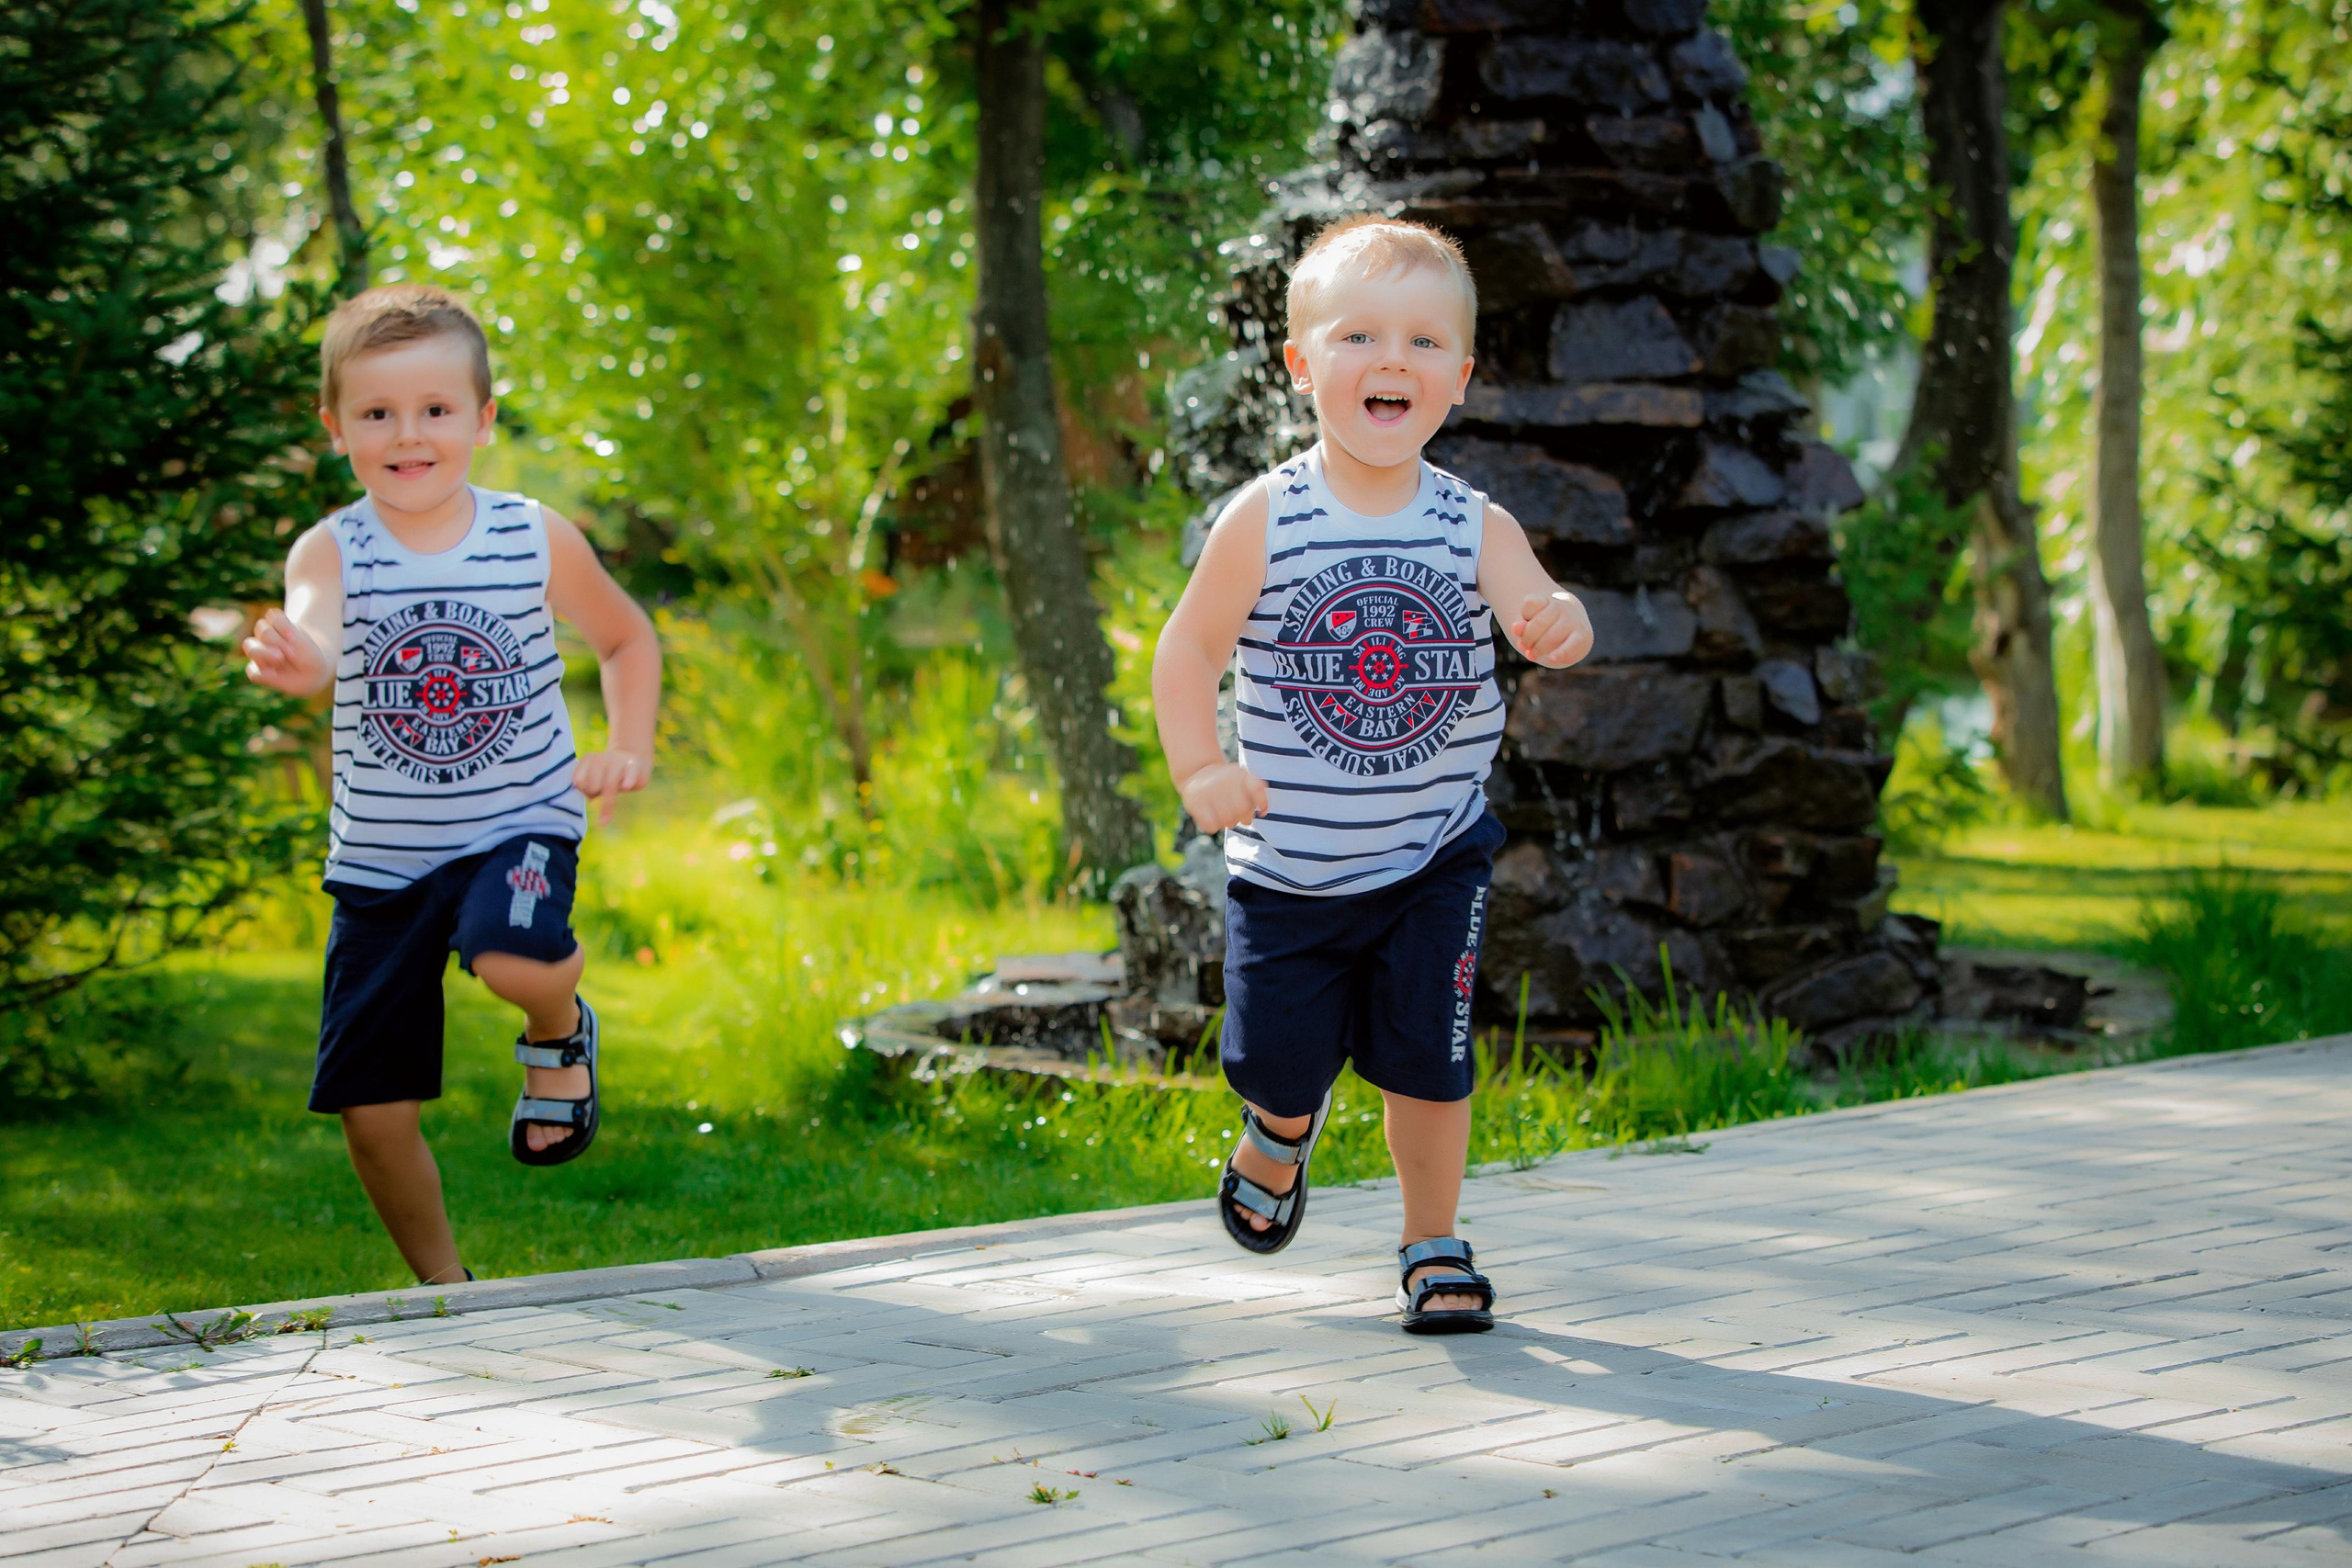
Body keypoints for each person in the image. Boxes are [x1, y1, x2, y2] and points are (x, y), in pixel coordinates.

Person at [1152, 217, 1594, 1334]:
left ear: (1458, 377)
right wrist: (1201, 766)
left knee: (1428, 1063)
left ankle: (1431, 1239)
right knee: (1281, 1063)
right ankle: (1280, 1130)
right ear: (1302, 365)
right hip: (1289, 869)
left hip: (1432, 853)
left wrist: (1558, 624)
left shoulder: (1472, 525)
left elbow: (1547, 603)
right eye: (1357, 336)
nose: (1391, 359)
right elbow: (1187, 649)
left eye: (1422, 341)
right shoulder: (1266, 517)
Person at [243, 283, 661, 1287]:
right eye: (377, 413)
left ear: (482, 418)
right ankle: (447, 1291)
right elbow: (323, 624)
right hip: (381, 866)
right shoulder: (332, 549)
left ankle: (560, 1029)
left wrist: (627, 745)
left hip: (516, 824)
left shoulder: (530, 534)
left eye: (434, 410)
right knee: (373, 1117)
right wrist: (307, 663)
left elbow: (623, 635)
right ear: (335, 427)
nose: (407, 434)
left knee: (512, 954)